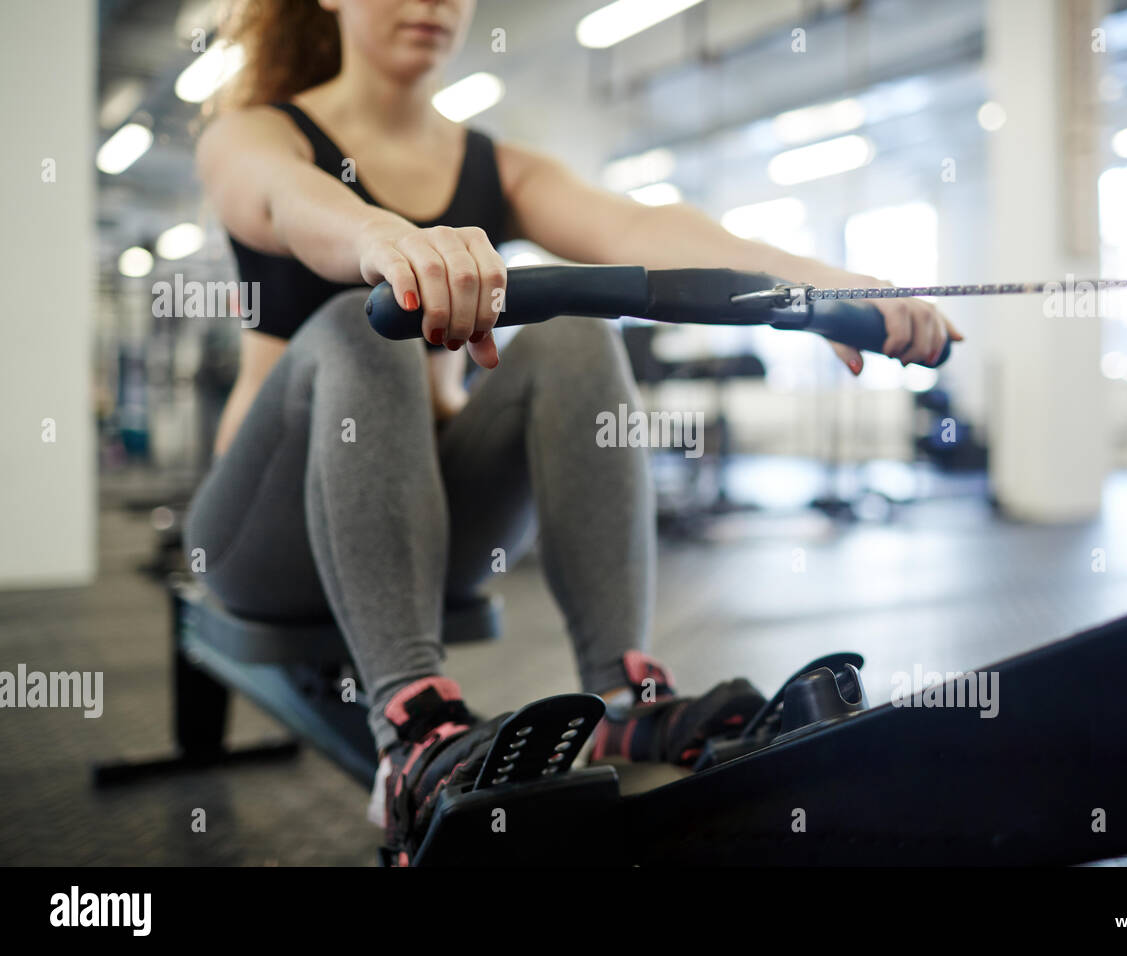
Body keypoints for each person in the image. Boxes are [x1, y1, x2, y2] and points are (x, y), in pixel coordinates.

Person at [186, 0, 962, 863]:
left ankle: (627, 698)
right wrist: (384, 239)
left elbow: (645, 231)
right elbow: (288, 203)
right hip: (265, 542)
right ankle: (411, 735)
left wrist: (825, 289)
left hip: (427, 533)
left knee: (578, 325)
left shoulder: (495, 165)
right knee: (359, 322)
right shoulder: (251, 134)